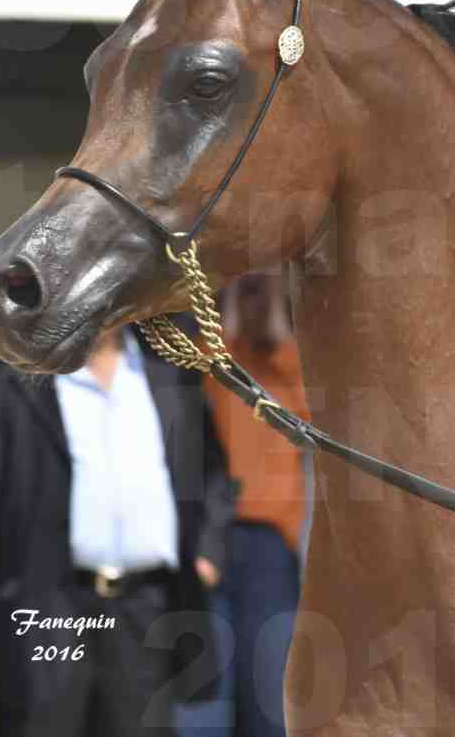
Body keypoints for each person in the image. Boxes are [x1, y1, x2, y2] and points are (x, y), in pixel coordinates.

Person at [0, 323, 234, 737]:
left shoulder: (172, 372)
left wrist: (207, 553)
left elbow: (214, 474)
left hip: (147, 608)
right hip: (46, 607)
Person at [194, 270, 311, 737]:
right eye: (248, 292)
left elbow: (310, 415)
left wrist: (278, 322)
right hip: (209, 540)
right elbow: (198, 372)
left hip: (268, 547)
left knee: (268, 698)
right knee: (206, 697)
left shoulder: (290, 367)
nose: (257, 302)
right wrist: (232, 315)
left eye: (265, 292)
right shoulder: (216, 357)